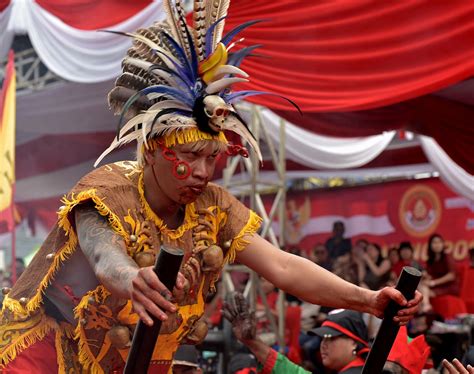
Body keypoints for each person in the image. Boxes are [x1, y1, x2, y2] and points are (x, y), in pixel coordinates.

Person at [0, 1, 422, 372]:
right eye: (188, 157)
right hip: (44, 352)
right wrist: (132, 277)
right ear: (150, 150)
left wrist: (366, 300)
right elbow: (103, 252)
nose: (203, 172)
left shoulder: (213, 206)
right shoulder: (108, 186)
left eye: (211, 157)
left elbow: (283, 267)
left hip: (136, 358)